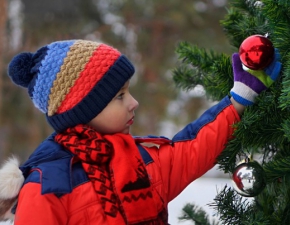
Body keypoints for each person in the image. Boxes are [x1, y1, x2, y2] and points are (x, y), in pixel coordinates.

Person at [0, 39, 281, 225]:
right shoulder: (46, 186)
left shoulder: (139, 160)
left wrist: (239, 98)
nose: (134, 102)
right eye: (119, 96)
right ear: (84, 110)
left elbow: (192, 149)